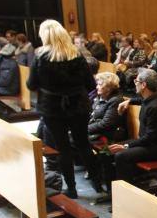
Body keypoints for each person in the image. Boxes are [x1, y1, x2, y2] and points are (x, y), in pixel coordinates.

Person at [26, 20, 101, 198]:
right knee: (83, 144)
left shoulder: (41, 57)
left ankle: (72, 189)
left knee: (63, 148)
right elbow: (91, 84)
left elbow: (31, 84)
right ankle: (98, 185)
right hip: (79, 106)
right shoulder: (76, 55)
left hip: (52, 108)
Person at [108, 68, 157, 185]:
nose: (134, 83)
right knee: (108, 150)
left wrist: (126, 146)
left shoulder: (155, 107)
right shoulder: (149, 98)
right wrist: (129, 101)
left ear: (143, 85)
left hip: (156, 148)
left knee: (120, 155)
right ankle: (111, 186)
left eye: (136, 81)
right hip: (146, 143)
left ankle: (125, 190)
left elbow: (150, 137)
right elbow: (141, 100)